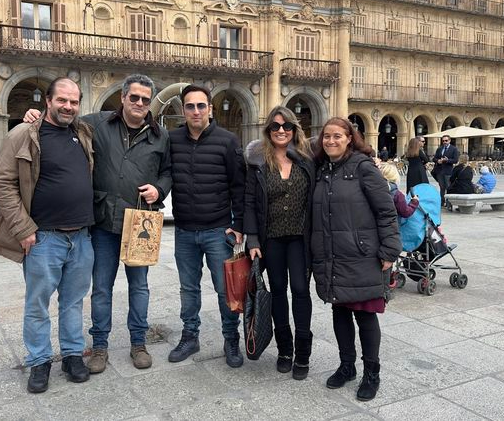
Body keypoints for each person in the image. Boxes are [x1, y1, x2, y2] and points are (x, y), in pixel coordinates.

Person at [23, 74, 172, 372]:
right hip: (104, 222)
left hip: (141, 223)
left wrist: (159, 189)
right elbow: (63, 118)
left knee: (140, 287)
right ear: (123, 97)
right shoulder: (96, 124)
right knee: (101, 288)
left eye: (145, 99)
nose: (139, 103)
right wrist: (35, 116)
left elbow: (168, 171)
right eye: (134, 97)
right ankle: (100, 346)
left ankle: (138, 343)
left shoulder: (161, 135)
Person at [0, 77, 96, 393]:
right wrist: (23, 229)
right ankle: (39, 361)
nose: (68, 106)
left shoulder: (83, 132)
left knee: (73, 302)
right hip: (43, 238)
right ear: (47, 101)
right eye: (62, 100)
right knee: (37, 304)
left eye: (74, 102)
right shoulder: (24, 134)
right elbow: (1, 183)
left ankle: (72, 355)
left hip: (81, 237)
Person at [311, 117, 401, 402]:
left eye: (337, 136)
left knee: (365, 315)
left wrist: (390, 249)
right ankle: (347, 366)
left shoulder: (363, 167)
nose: (331, 141)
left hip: (361, 255)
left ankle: (372, 373)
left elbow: (386, 210)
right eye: (326, 136)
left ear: (350, 138)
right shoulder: (321, 169)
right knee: (340, 311)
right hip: (332, 254)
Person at [166, 85, 247, 368]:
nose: (196, 111)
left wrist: (239, 225)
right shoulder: (172, 140)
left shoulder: (228, 141)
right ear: (183, 110)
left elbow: (239, 186)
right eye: (190, 106)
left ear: (210, 109)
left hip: (218, 230)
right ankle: (190, 336)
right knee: (188, 289)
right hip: (184, 231)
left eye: (201, 105)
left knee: (225, 289)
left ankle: (231, 338)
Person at [244, 106, 314, 379]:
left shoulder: (307, 159)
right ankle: (285, 349)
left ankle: (303, 353)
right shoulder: (258, 162)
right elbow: (249, 202)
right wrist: (252, 238)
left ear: (294, 130)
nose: (281, 130)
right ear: (268, 130)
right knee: (277, 291)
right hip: (271, 238)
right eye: (275, 126)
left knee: (300, 289)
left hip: (300, 238)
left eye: (286, 126)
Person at [432, 135, 459, 207]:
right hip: (439, 171)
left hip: (448, 171)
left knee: (448, 187)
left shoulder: (454, 149)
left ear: (449, 141)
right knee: (441, 187)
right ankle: (442, 202)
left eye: (446, 140)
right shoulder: (439, 149)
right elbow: (434, 158)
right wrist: (438, 160)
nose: (444, 142)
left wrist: (447, 160)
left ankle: (449, 203)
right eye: (443, 141)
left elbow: (455, 160)